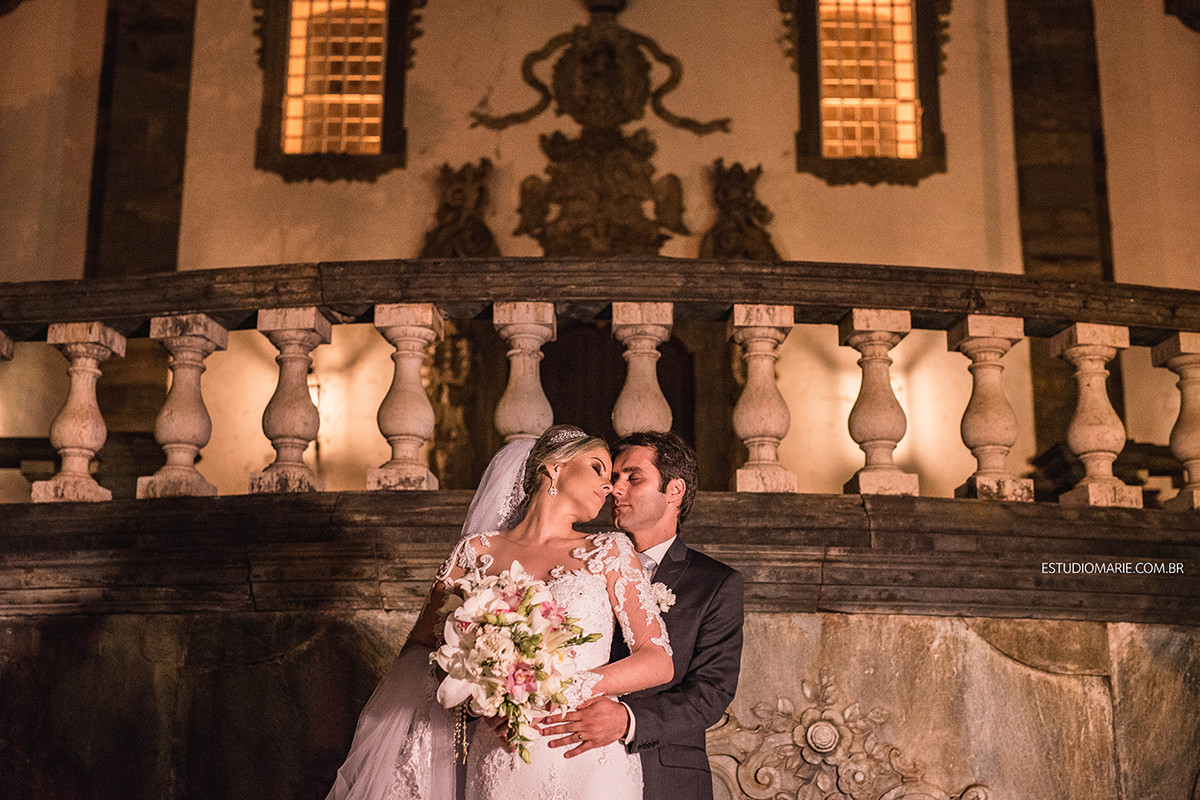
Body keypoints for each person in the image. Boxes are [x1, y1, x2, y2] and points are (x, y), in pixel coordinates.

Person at [325, 424, 675, 800]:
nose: (609, 487)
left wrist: (559, 690)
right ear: (553, 468)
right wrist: (480, 696)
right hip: (499, 756)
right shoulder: (473, 552)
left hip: (586, 754)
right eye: (597, 468)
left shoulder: (610, 551)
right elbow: (419, 653)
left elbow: (658, 661)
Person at [540, 430, 744, 800]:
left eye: (633, 478)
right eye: (613, 479)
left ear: (674, 491)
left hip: (664, 775)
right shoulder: (580, 566)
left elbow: (711, 691)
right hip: (569, 762)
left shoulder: (715, 583)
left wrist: (628, 721)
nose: (615, 490)